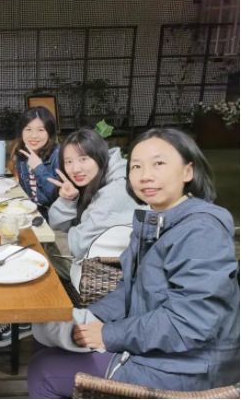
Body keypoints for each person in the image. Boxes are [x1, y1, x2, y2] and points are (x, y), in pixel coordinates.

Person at [28, 128, 240, 398]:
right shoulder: (156, 220)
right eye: (136, 166)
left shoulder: (201, 231)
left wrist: (110, 335)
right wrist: (95, 316)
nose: (145, 175)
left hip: (189, 367)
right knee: (48, 338)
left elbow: (190, 323)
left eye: (158, 163)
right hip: (161, 348)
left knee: (43, 369)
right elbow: (130, 290)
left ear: (188, 171)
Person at [0, 106, 60, 349]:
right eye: (28, 129)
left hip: (54, 219)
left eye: (41, 130)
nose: (34, 135)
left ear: (50, 132)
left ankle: (24, 319)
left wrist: (38, 166)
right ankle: (12, 309)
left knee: (15, 249)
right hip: (35, 215)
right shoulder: (22, 153)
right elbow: (29, 195)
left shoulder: (57, 155)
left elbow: (52, 196)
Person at [47, 129, 139, 284]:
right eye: (69, 162)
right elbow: (58, 226)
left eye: (83, 159)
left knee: (43, 246)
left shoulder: (115, 192)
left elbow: (78, 246)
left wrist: (72, 230)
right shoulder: (98, 178)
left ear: (99, 156)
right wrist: (68, 200)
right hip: (103, 253)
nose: (75, 169)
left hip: (110, 271)